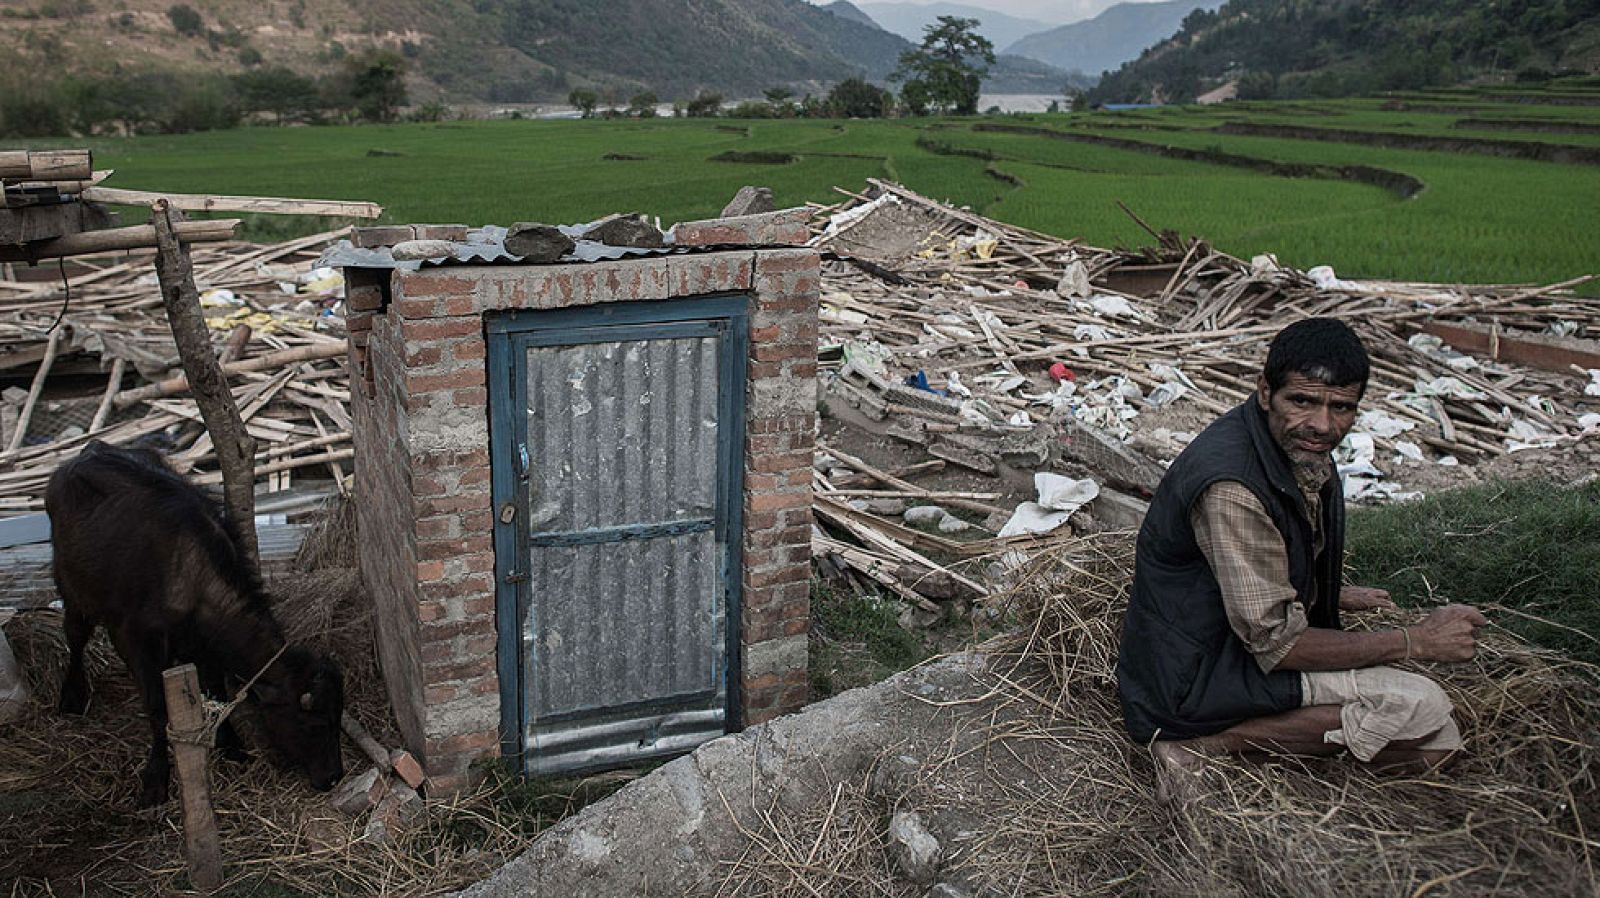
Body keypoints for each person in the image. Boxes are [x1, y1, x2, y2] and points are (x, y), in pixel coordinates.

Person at [1115, 317, 1486, 793]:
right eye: (1303, 401)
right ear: (1265, 391)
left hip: (1221, 646)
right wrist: (1416, 641)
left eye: (1342, 408)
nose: (1322, 425)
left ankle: (1271, 744)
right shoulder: (1232, 485)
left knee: (1439, 746)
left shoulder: (1289, 445)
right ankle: (1198, 746)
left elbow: (1259, 558)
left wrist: (1329, 592)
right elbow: (1279, 644)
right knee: (1426, 707)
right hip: (1191, 680)